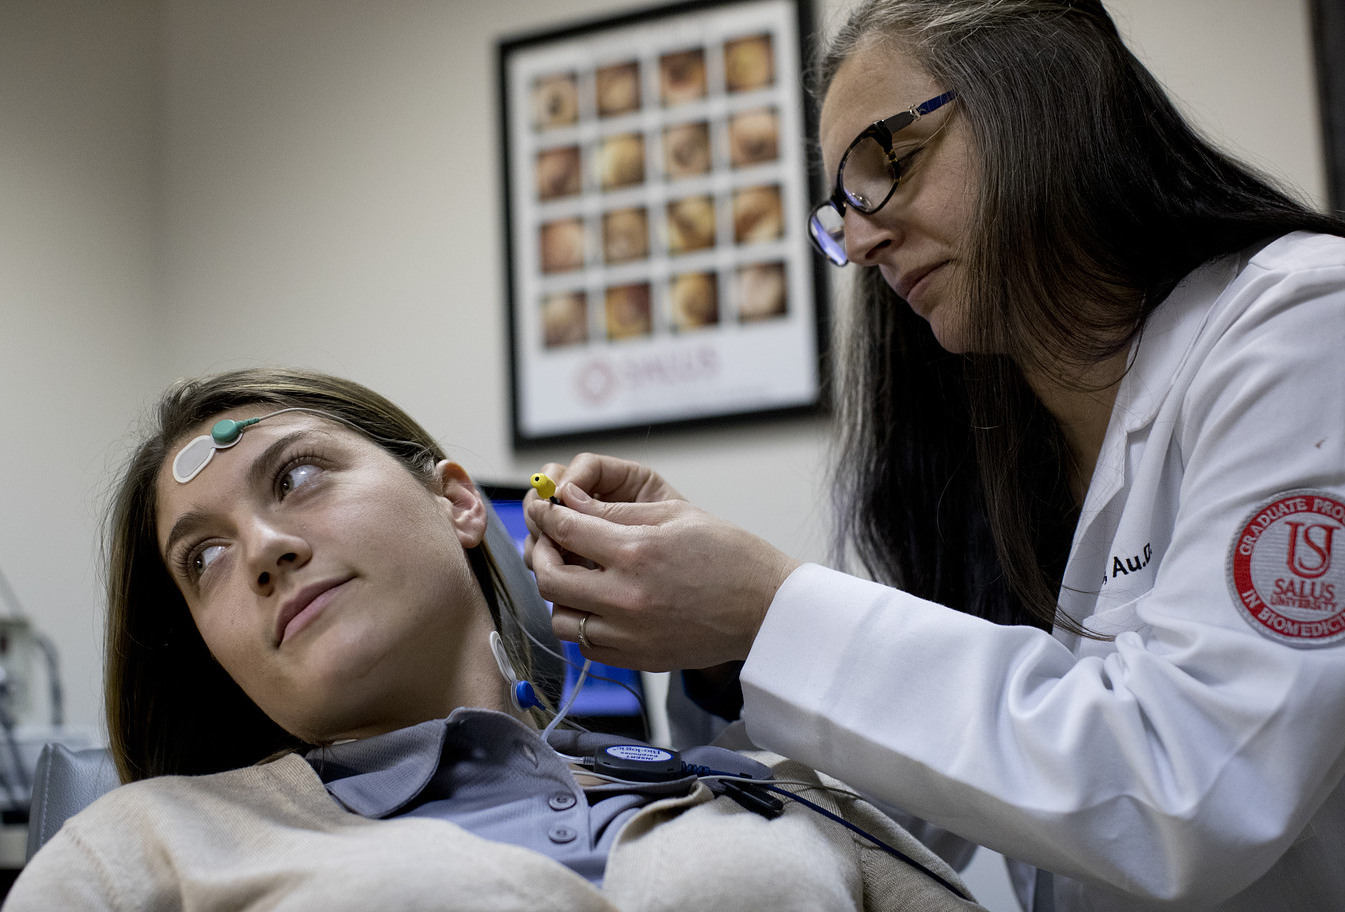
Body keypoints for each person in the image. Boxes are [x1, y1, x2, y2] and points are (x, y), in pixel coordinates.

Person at [523, 2, 1345, 910]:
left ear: (1050, 90)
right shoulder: (1000, 451)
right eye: (842, 209)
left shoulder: (1306, 323)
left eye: (890, 165)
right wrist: (724, 649)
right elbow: (920, 798)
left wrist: (766, 609)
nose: (863, 239)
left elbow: (1194, 791)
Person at [3, 367, 980, 912]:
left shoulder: (748, 795)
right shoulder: (142, 848)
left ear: (457, 501)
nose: (260, 549)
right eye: (202, 559)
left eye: (295, 477)